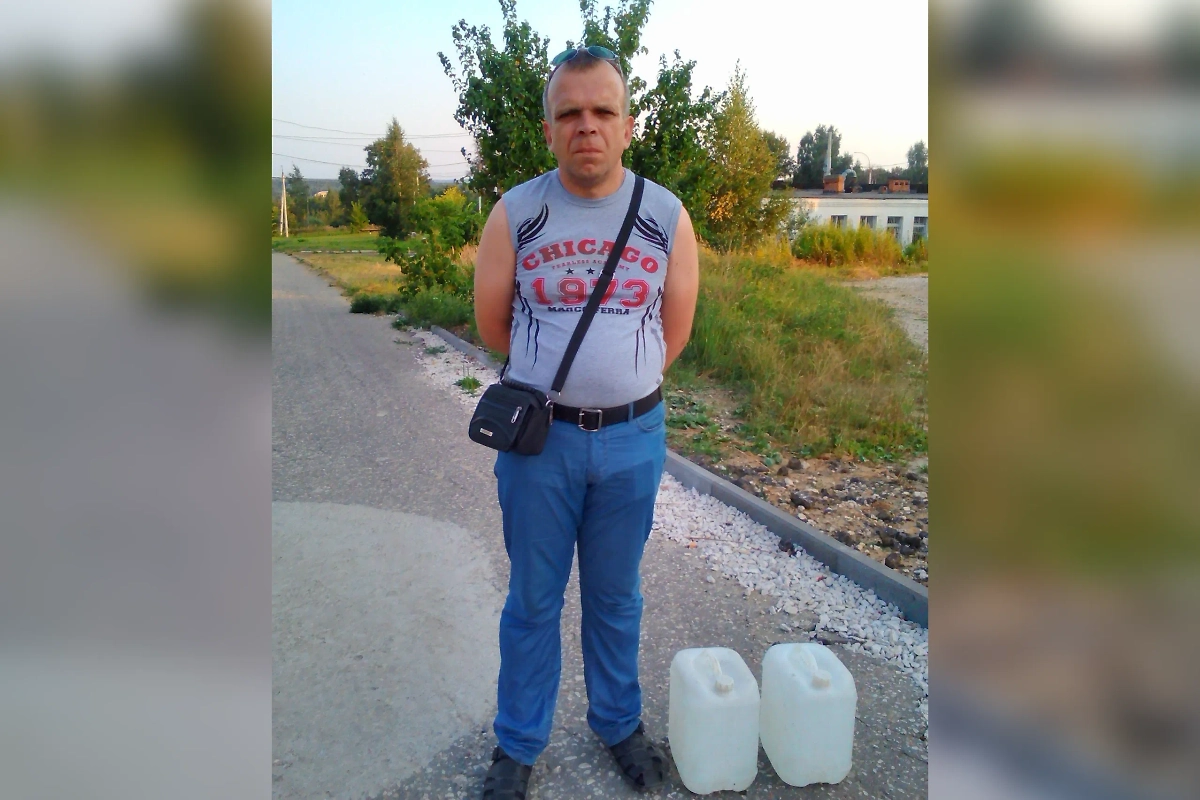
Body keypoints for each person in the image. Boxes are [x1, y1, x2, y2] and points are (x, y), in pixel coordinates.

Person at [472, 44, 700, 797]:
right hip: (541, 444)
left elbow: (674, 331)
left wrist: (622, 386)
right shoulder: (517, 212)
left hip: (634, 441)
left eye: (603, 111)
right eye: (569, 113)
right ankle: (517, 745)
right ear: (548, 129)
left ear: (628, 125)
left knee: (616, 596)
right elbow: (493, 327)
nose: (587, 126)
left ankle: (619, 724)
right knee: (532, 601)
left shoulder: (666, 215)